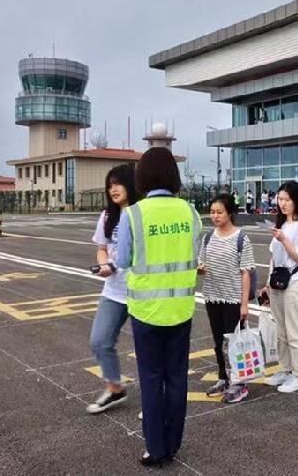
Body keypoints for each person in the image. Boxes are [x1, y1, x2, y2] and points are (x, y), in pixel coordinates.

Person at [116, 147, 202, 467]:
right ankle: (174, 442)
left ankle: (156, 448)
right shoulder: (190, 213)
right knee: (177, 377)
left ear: (142, 177)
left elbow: (123, 260)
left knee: (151, 378)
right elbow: (194, 255)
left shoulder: (133, 215)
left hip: (146, 311)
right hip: (181, 308)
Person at [85, 165, 141, 414]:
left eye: (118, 183)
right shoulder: (108, 216)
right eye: (110, 185)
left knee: (146, 349)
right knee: (100, 340)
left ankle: (154, 399)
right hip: (114, 290)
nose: (113, 189)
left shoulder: (141, 213)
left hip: (141, 291)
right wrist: (103, 264)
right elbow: (102, 247)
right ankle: (114, 388)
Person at [198, 194, 256, 403]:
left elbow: (245, 272)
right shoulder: (207, 238)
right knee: (217, 342)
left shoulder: (241, 238)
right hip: (213, 297)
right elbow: (201, 264)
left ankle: (239, 383)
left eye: (219, 212)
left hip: (233, 299)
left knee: (234, 343)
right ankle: (224, 377)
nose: (215, 216)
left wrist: (244, 304)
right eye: (212, 212)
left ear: (229, 213)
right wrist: (200, 269)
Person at [260, 181, 298, 393]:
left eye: (287, 200)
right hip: (277, 283)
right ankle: (285, 368)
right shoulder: (282, 226)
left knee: (296, 330)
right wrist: (267, 284)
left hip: (295, 283)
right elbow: (274, 258)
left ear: (297, 201)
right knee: (281, 330)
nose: (282, 204)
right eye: (280, 199)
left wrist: (284, 240)